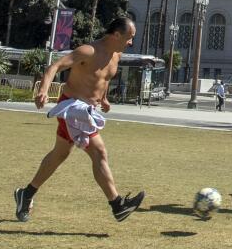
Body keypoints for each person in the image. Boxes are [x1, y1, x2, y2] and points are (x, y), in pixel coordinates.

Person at [14, 16, 145, 223]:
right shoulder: (88, 51)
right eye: (129, 37)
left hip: (89, 110)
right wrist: (43, 91)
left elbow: (102, 80)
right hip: (73, 108)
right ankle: (117, 204)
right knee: (98, 151)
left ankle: (26, 194)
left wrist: (104, 99)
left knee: (60, 154)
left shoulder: (116, 56)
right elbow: (54, 67)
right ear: (117, 34)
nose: (131, 42)